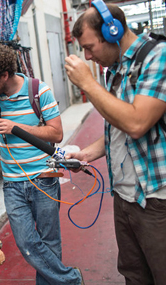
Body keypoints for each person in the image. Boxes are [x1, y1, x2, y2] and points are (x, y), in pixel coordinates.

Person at [0, 40, 84, 285]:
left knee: (49, 243)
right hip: (13, 184)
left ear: (4, 74)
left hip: (44, 180)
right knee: (26, 242)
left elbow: (56, 133)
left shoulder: (39, 91)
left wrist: (17, 128)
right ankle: (70, 279)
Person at [65, 1, 166, 284]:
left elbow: (136, 124)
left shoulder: (157, 57)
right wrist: (85, 154)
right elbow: (118, 128)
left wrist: (88, 84)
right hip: (124, 196)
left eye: (89, 47)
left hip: (156, 197)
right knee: (134, 274)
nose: (86, 56)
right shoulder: (118, 67)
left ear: (113, 32)